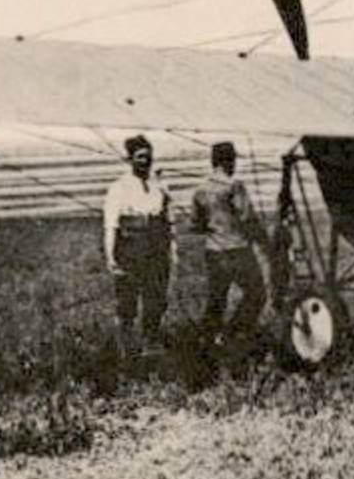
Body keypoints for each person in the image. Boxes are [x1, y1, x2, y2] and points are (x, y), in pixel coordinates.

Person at [102, 134, 177, 368]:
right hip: (130, 250)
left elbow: (168, 222)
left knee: (156, 299)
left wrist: (173, 250)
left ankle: (150, 343)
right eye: (140, 157)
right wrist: (110, 257)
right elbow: (111, 225)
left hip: (156, 248)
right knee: (128, 302)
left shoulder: (159, 188)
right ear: (130, 159)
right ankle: (127, 350)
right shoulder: (118, 188)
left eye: (149, 157)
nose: (146, 162)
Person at [191, 141, 266, 350]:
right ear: (228, 161)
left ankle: (206, 341)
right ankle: (233, 333)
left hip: (213, 251)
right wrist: (262, 239)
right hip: (238, 249)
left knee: (217, 298)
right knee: (257, 293)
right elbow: (247, 217)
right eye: (233, 160)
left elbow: (196, 225)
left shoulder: (200, 190)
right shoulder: (235, 186)